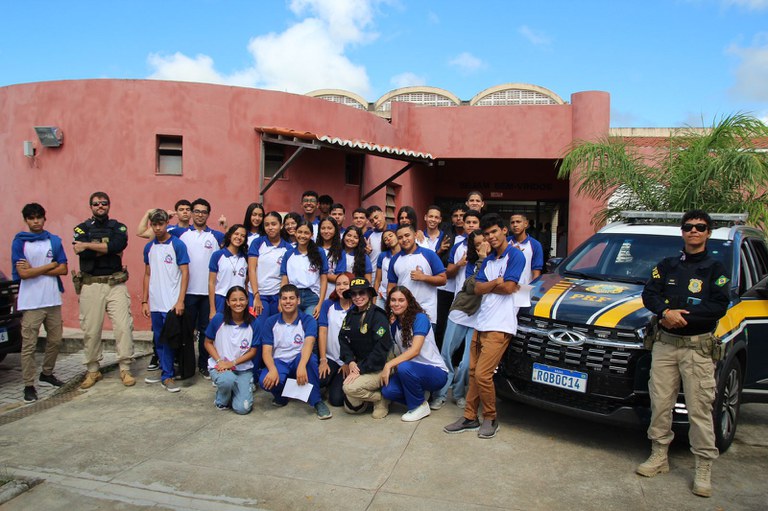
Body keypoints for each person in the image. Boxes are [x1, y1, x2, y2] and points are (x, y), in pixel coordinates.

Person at [637, 210, 729, 498]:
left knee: (700, 409)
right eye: (688, 227)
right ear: (682, 231)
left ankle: (703, 466)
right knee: (660, 403)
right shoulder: (668, 265)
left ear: (708, 232)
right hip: (665, 345)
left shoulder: (716, 268)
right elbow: (649, 294)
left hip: (696, 348)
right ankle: (659, 455)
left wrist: (682, 317)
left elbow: (719, 306)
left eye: (700, 227)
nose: (693, 231)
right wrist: (665, 312)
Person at [444, 213, 525, 439]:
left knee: (482, 375)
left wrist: (492, 285)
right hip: (481, 323)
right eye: (487, 234)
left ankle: (490, 417)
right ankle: (470, 417)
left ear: (504, 231)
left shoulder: (515, 256)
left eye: (494, 232)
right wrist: (496, 282)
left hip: (501, 326)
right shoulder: (488, 260)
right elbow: (477, 289)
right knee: (472, 373)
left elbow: (509, 288)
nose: (491, 237)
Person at [73, 192, 136, 388]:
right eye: (96, 204)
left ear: (109, 205)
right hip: (91, 285)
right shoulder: (81, 228)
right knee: (91, 330)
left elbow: (118, 244)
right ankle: (93, 370)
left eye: (103, 203)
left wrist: (88, 245)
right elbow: (82, 252)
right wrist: (107, 248)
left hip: (115, 284)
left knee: (123, 328)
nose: (100, 206)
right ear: (91, 206)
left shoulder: (118, 227)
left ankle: (125, 368)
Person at [11, 203, 68, 403]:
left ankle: (47, 373)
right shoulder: (20, 242)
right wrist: (50, 265)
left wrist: (35, 268)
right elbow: (23, 274)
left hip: (52, 300)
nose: (36, 221)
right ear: (26, 220)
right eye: (31, 218)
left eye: (39, 217)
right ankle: (29, 385)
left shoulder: (54, 241)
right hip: (31, 302)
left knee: (55, 340)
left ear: (44, 218)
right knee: (29, 345)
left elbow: (63, 269)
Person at [430, 230, 489, 410]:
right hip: (461, 312)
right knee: (446, 355)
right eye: (477, 245)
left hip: (479, 316)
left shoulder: (498, 261)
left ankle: (458, 393)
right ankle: (440, 394)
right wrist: (482, 259)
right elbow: (472, 286)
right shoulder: (471, 263)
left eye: (484, 242)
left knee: (467, 363)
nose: (482, 247)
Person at [169, 198, 224, 380]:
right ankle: (186, 367)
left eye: (204, 212)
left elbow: (234, 245)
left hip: (208, 293)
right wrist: (167, 218)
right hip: (188, 292)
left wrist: (225, 227)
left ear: (208, 214)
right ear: (192, 213)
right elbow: (148, 233)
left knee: (206, 330)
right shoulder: (179, 233)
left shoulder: (216, 236)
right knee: (186, 331)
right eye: (197, 211)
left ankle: (204, 364)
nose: (200, 215)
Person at [259, 284, 332, 419]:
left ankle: (317, 402)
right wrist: (272, 369)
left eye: (291, 298)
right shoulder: (271, 322)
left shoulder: (307, 320)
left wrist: (302, 365)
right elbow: (266, 351)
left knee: (310, 360)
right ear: (280, 301)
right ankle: (282, 396)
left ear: (298, 300)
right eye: (284, 298)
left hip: (299, 360)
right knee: (264, 380)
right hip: (280, 362)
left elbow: (309, 344)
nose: (288, 302)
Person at [380, 286, 449, 422]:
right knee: (388, 391)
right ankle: (421, 396)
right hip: (411, 372)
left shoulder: (420, 318)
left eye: (401, 300)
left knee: (403, 366)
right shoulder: (394, 326)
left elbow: (415, 350)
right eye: (393, 300)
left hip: (436, 372)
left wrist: (389, 365)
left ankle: (418, 406)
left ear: (409, 302)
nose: (396, 304)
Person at [141, 209, 189, 393]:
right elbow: (147, 274)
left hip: (171, 303)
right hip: (155, 302)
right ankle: (164, 372)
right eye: (154, 225)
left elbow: (185, 273)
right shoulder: (149, 248)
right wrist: (144, 301)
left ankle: (168, 375)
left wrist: (180, 300)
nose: (158, 228)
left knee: (170, 340)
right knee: (158, 339)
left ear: (167, 224)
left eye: (161, 224)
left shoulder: (177, 245)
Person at [339, 277, 393, 419]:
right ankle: (371, 396)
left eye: (361, 293)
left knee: (349, 388)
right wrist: (350, 361)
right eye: (354, 294)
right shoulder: (350, 314)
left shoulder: (378, 316)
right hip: (359, 365)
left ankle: (381, 398)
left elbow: (380, 350)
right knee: (352, 409)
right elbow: (343, 339)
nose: (357, 297)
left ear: (369, 294)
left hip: (379, 366)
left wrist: (360, 369)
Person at [204, 286, 260, 414]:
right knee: (227, 380)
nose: (238, 303)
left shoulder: (254, 323)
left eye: (242, 299)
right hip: (220, 367)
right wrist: (219, 361)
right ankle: (221, 400)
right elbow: (207, 343)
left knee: (243, 408)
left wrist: (232, 363)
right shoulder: (218, 319)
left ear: (247, 301)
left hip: (243, 369)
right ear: (228, 302)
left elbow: (253, 351)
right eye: (234, 300)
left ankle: (237, 389)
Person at [387, 223, 447, 325]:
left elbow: (443, 279)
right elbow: (391, 287)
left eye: (407, 235)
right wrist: (392, 310)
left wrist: (424, 277)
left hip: (427, 311)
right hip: (402, 311)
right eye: (400, 237)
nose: (404, 239)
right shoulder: (395, 259)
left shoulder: (429, 254)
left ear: (415, 235)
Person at [317, 272, 353, 407]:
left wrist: (349, 362)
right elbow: (322, 332)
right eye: (338, 284)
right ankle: (330, 381)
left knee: (336, 400)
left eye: (345, 284)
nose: (341, 287)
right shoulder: (328, 305)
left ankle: (333, 384)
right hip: (330, 358)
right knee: (319, 380)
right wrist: (323, 360)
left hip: (348, 361)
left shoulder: (357, 307)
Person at [280, 221, 328, 318]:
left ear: (311, 235)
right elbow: (284, 280)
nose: (302, 236)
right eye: (300, 232)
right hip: (293, 296)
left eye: (306, 233)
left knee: (310, 322)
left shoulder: (319, 252)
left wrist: (320, 304)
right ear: (295, 233)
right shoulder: (288, 254)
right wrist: (280, 301)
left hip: (312, 296)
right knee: (294, 324)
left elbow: (324, 279)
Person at [248, 211, 291, 317]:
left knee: (274, 325)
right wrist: (256, 295)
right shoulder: (257, 243)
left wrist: (281, 298)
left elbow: (285, 276)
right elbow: (251, 269)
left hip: (276, 295)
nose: (270, 228)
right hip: (258, 294)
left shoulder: (288, 248)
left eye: (274, 224)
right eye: (267, 225)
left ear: (281, 226)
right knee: (259, 324)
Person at [208, 224, 248, 317]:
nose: (239, 237)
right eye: (236, 234)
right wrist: (212, 309)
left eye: (242, 236)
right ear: (230, 236)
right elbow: (211, 283)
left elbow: (246, 283)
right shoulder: (217, 255)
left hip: (239, 301)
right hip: (221, 299)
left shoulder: (245, 258)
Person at [508, 213, 544, 290]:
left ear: (526, 224)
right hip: (506, 288)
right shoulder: (505, 242)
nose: (515, 225)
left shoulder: (535, 245)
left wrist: (533, 290)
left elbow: (536, 272)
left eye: (518, 222)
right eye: (512, 222)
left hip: (525, 289)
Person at [373, 228, 400, 309]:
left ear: (397, 236)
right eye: (385, 239)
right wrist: (374, 299)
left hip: (399, 297)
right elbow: (377, 280)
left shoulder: (406, 255)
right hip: (382, 295)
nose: (388, 239)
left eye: (391, 236)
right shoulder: (382, 256)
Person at [317, 217, 342, 300]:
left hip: (332, 293)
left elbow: (339, 277)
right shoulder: (313, 249)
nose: (326, 231)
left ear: (335, 230)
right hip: (314, 294)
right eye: (323, 228)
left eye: (329, 228)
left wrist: (320, 274)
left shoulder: (340, 251)